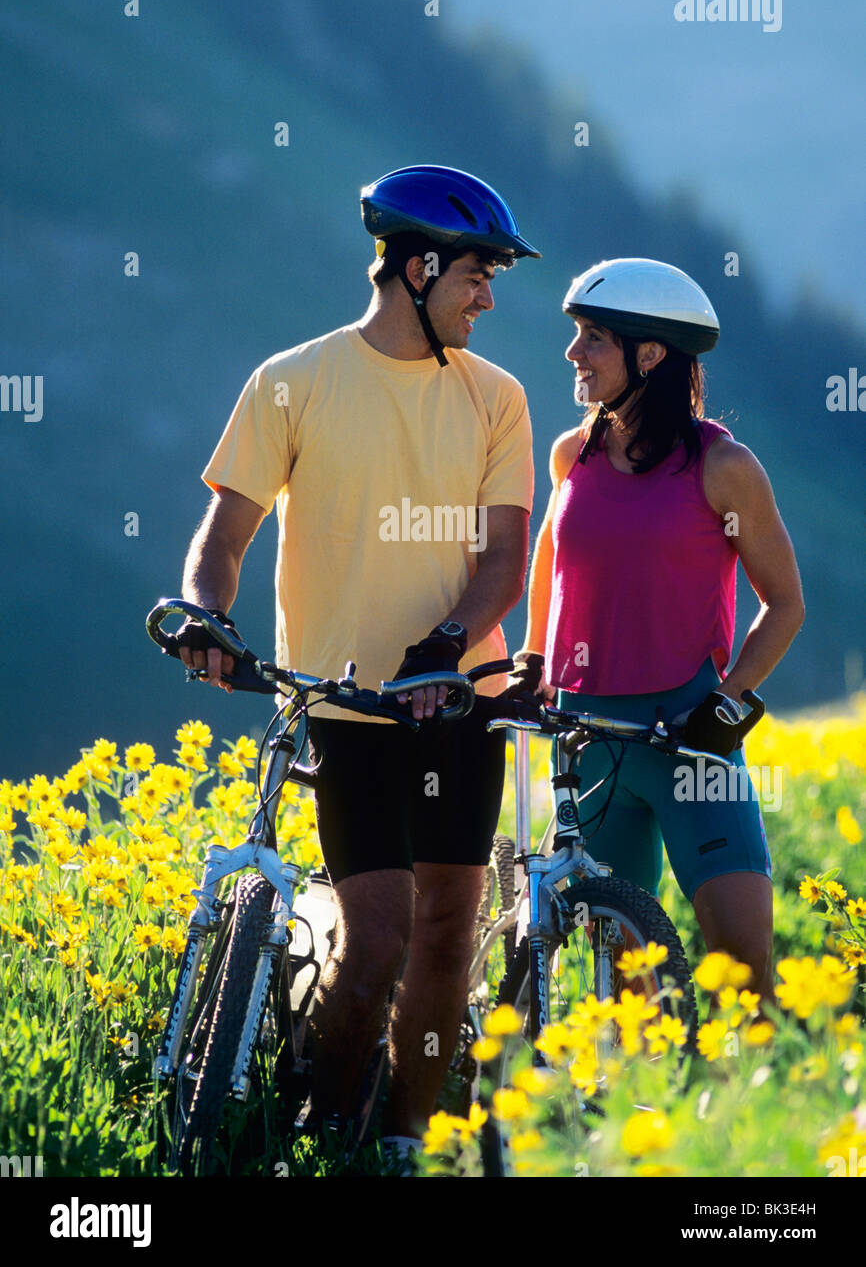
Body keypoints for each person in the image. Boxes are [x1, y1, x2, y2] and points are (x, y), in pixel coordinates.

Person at [174, 164, 540, 1167]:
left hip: (463, 704)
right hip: (343, 707)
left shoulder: (496, 398)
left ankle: (398, 1142)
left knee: (444, 938)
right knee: (375, 935)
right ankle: (323, 1130)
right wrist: (205, 610)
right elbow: (225, 531)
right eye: (476, 274)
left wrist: (443, 646)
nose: (488, 296)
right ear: (417, 268)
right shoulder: (291, 381)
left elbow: (505, 558)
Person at [509, 258, 805, 1004]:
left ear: (650, 355)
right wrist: (535, 658)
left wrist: (730, 701)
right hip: (590, 738)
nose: (574, 353)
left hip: (688, 736)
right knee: (629, 983)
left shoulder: (723, 466)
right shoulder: (571, 455)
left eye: (594, 338)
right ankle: (643, 1117)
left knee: (745, 975)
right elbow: (551, 564)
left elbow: (785, 602)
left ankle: (754, 1113)